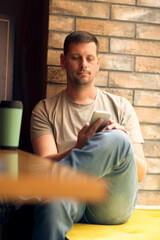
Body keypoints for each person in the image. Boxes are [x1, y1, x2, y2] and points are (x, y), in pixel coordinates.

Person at [30, 31, 147, 240]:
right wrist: (77, 148)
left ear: (97, 63)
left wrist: (122, 143)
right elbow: (43, 167)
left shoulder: (121, 107)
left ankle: (24, 192)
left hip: (111, 201)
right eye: (76, 57)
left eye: (89, 58)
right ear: (63, 61)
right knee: (52, 202)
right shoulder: (45, 110)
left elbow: (139, 174)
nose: (83, 64)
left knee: (117, 138)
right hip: (69, 195)